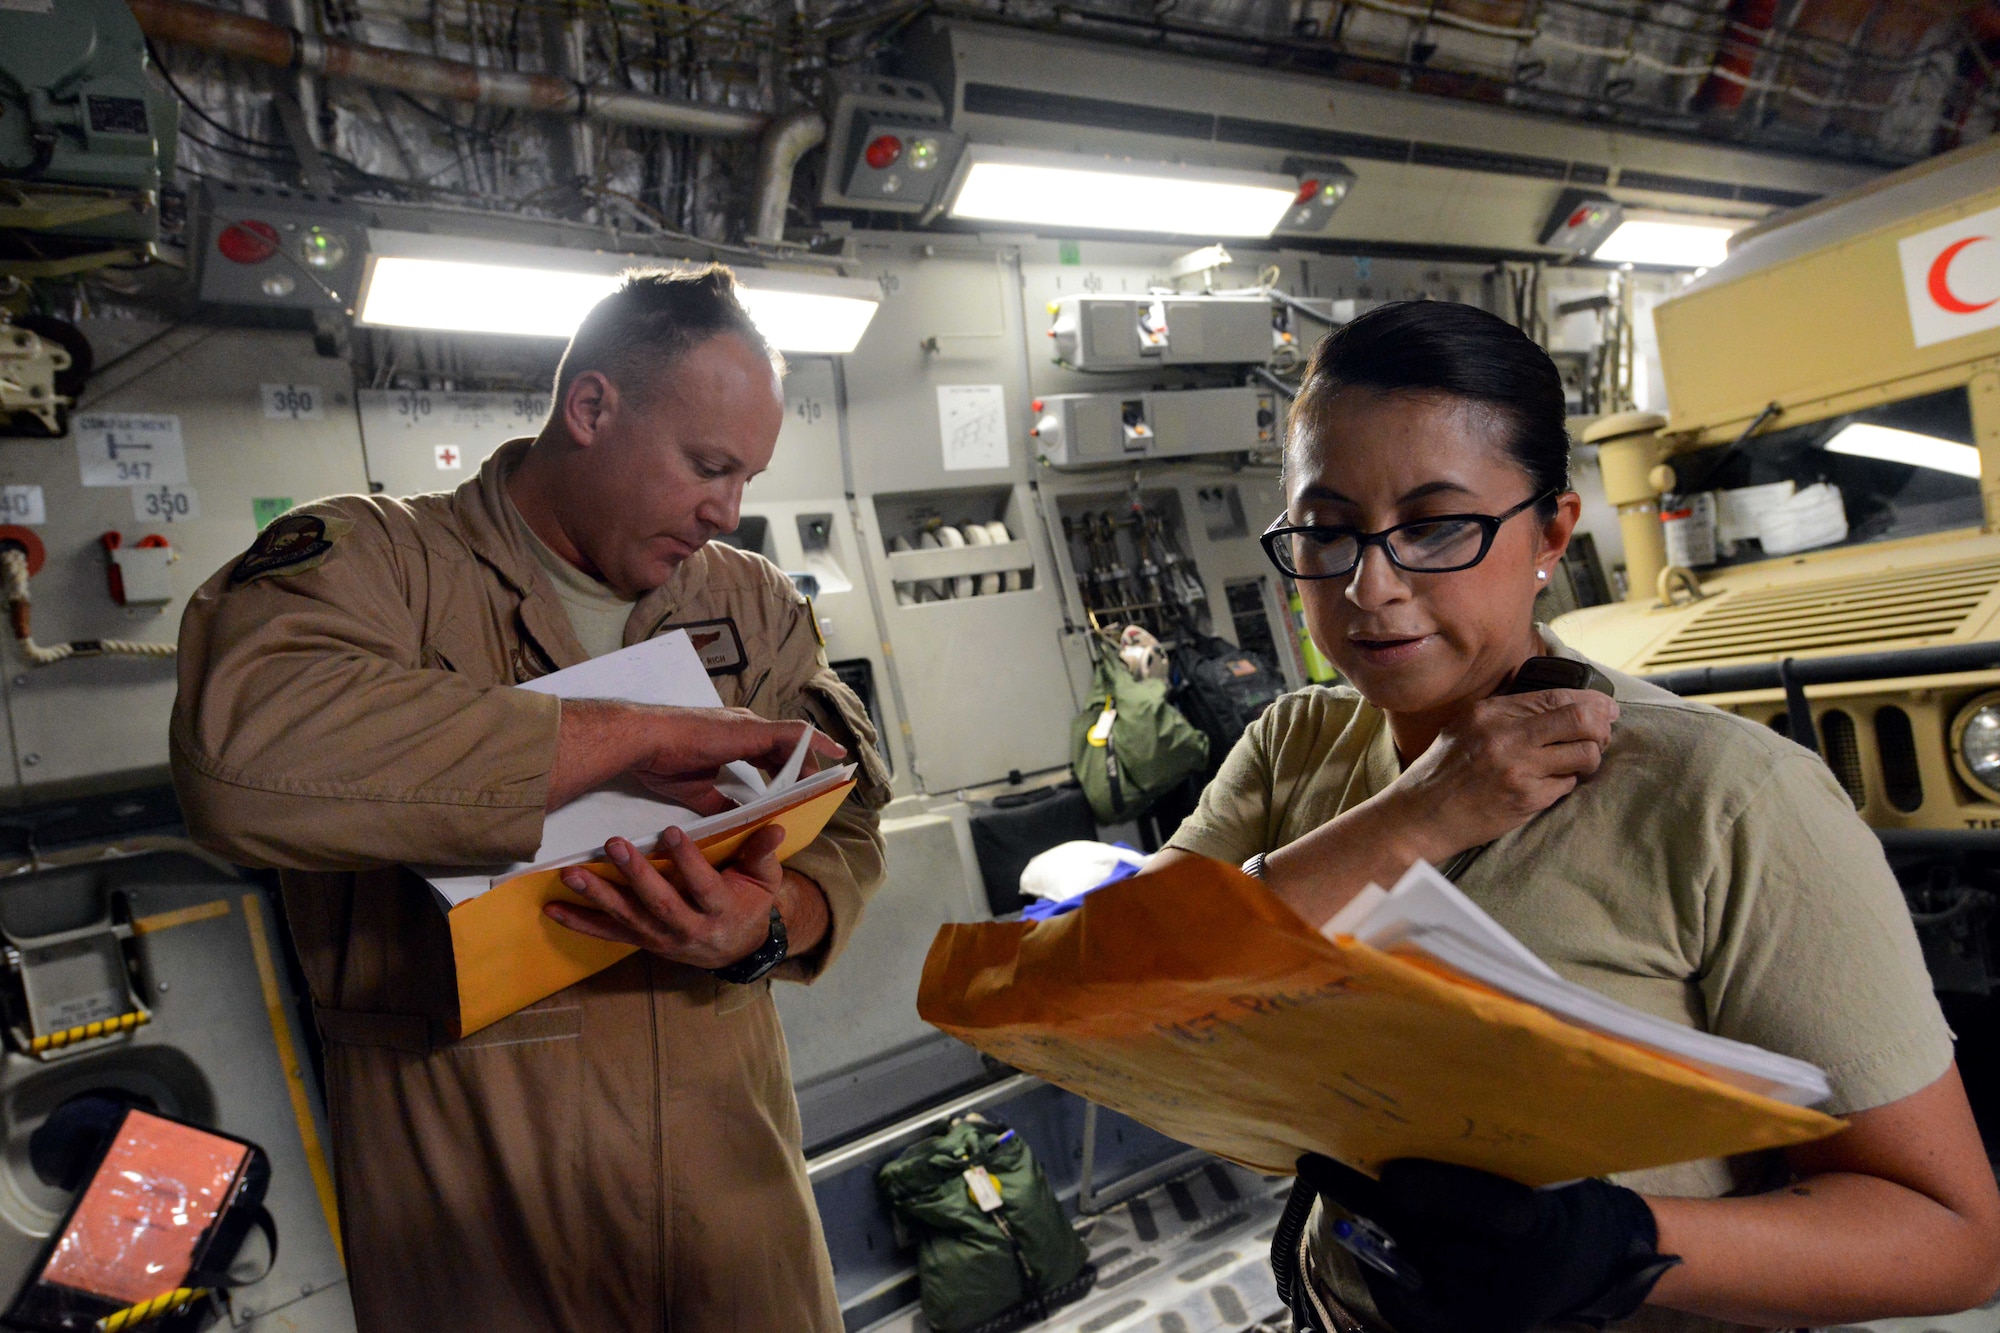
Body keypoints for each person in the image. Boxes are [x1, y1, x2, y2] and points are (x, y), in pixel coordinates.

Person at [1150, 301, 2000, 1333]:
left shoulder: (1727, 799)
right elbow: (1123, 979)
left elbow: (1951, 1236)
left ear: (1551, 530)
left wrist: (1614, 1245)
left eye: (1434, 526)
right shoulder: (1294, 748)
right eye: (1326, 532)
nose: (1369, 586)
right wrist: (1416, 815)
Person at [171, 266, 892, 1331]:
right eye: (705, 465)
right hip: (482, 1219)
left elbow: (853, 814)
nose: (726, 509)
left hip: (730, 1217)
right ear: (591, 409)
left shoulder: (745, 599)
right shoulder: (380, 568)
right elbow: (240, 757)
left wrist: (776, 919)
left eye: (744, 476)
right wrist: (629, 736)